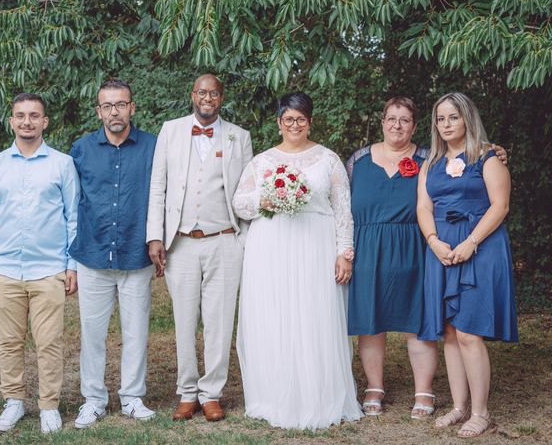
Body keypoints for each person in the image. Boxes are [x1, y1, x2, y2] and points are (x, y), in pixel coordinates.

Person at [345, 97, 507, 419]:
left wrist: (495, 150)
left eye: (405, 120)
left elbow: (492, 195)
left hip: (421, 249)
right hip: (394, 249)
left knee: (422, 322)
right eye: (391, 118)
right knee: (382, 324)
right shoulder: (361, 160)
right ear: (381, 121)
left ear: (416, 126)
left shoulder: (427, 157)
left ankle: (433, 393)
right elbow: (342, 204)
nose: (397, 125)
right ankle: (378, 388)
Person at [232, 92, 364, 429]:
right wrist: (269, 197)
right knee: (275, 315)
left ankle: (318, 394)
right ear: (278, 122)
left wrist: (344, 252)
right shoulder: (261, 162)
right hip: (270, 248)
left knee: (313, 314)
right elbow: (240, 204)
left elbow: (343, 211)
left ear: (310, 122)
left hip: (314, 247)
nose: (294, 125)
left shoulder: (328, 160)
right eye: (288, 119)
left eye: (301, 119)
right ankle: (275, 394)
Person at [0, 93, 79, 433]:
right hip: (5, 271)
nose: (27, 121)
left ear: (45, 121)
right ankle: (13, 402)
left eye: (34, 115)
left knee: (49, 342)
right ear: (11, 121)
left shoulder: (62, 164)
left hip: (49, 271)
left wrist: (71, 265)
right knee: (9, 342)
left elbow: (73, 218)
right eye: (20, 115)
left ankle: (49, 406)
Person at [147, 74, 253, 421]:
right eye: (202, 92)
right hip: (181, 242)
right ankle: (187, 391)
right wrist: (156, 236)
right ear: (193, 95)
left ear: (221, 99)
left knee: (220, 321)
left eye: (214, 94)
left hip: (224, 239)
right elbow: (158, 187)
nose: (208, 98)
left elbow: (247, 192)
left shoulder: (240, 136)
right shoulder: (171, 130)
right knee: (183, 319)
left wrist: (244, 239)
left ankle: (212, 393)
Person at [417, 92, 518, 438]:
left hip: (480, 246)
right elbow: (423, 208)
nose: (445, 125)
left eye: (453, 117)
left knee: (468, 331)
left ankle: (480, 412)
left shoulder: (488, 157)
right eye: (440, 119)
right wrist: (433, 242)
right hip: (442, 248)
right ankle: (459, 407)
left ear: (467, 119)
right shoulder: (429, 163)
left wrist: (470, 242)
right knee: (448, 330)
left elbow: (500, 206)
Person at [70, 78, 157, 428]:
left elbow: (162, 197)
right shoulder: (81, 149)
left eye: (121, 104)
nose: (114, 111)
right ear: (98, 111)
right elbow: (71, 202)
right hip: (92, 254)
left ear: (132, 107)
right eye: (107, 106)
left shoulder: (153, 146)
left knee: (136, 331)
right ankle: (93, 399)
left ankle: (132, 397)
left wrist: (157, 240)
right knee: (92, 333)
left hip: (136, 253)